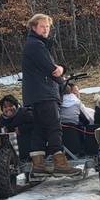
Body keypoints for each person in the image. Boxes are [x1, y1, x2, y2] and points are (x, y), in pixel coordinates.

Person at [21, 13, 77, 176]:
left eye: (47, 27)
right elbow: (52, 69)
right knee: (54, 126)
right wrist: (62, 72)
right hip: (45, 93)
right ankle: (60, 162)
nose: (46, 29)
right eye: (42, 26)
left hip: (35, 94)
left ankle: (38, 164)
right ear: (33, 27)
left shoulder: (33, 44)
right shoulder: (36, 45)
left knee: (39, 127)